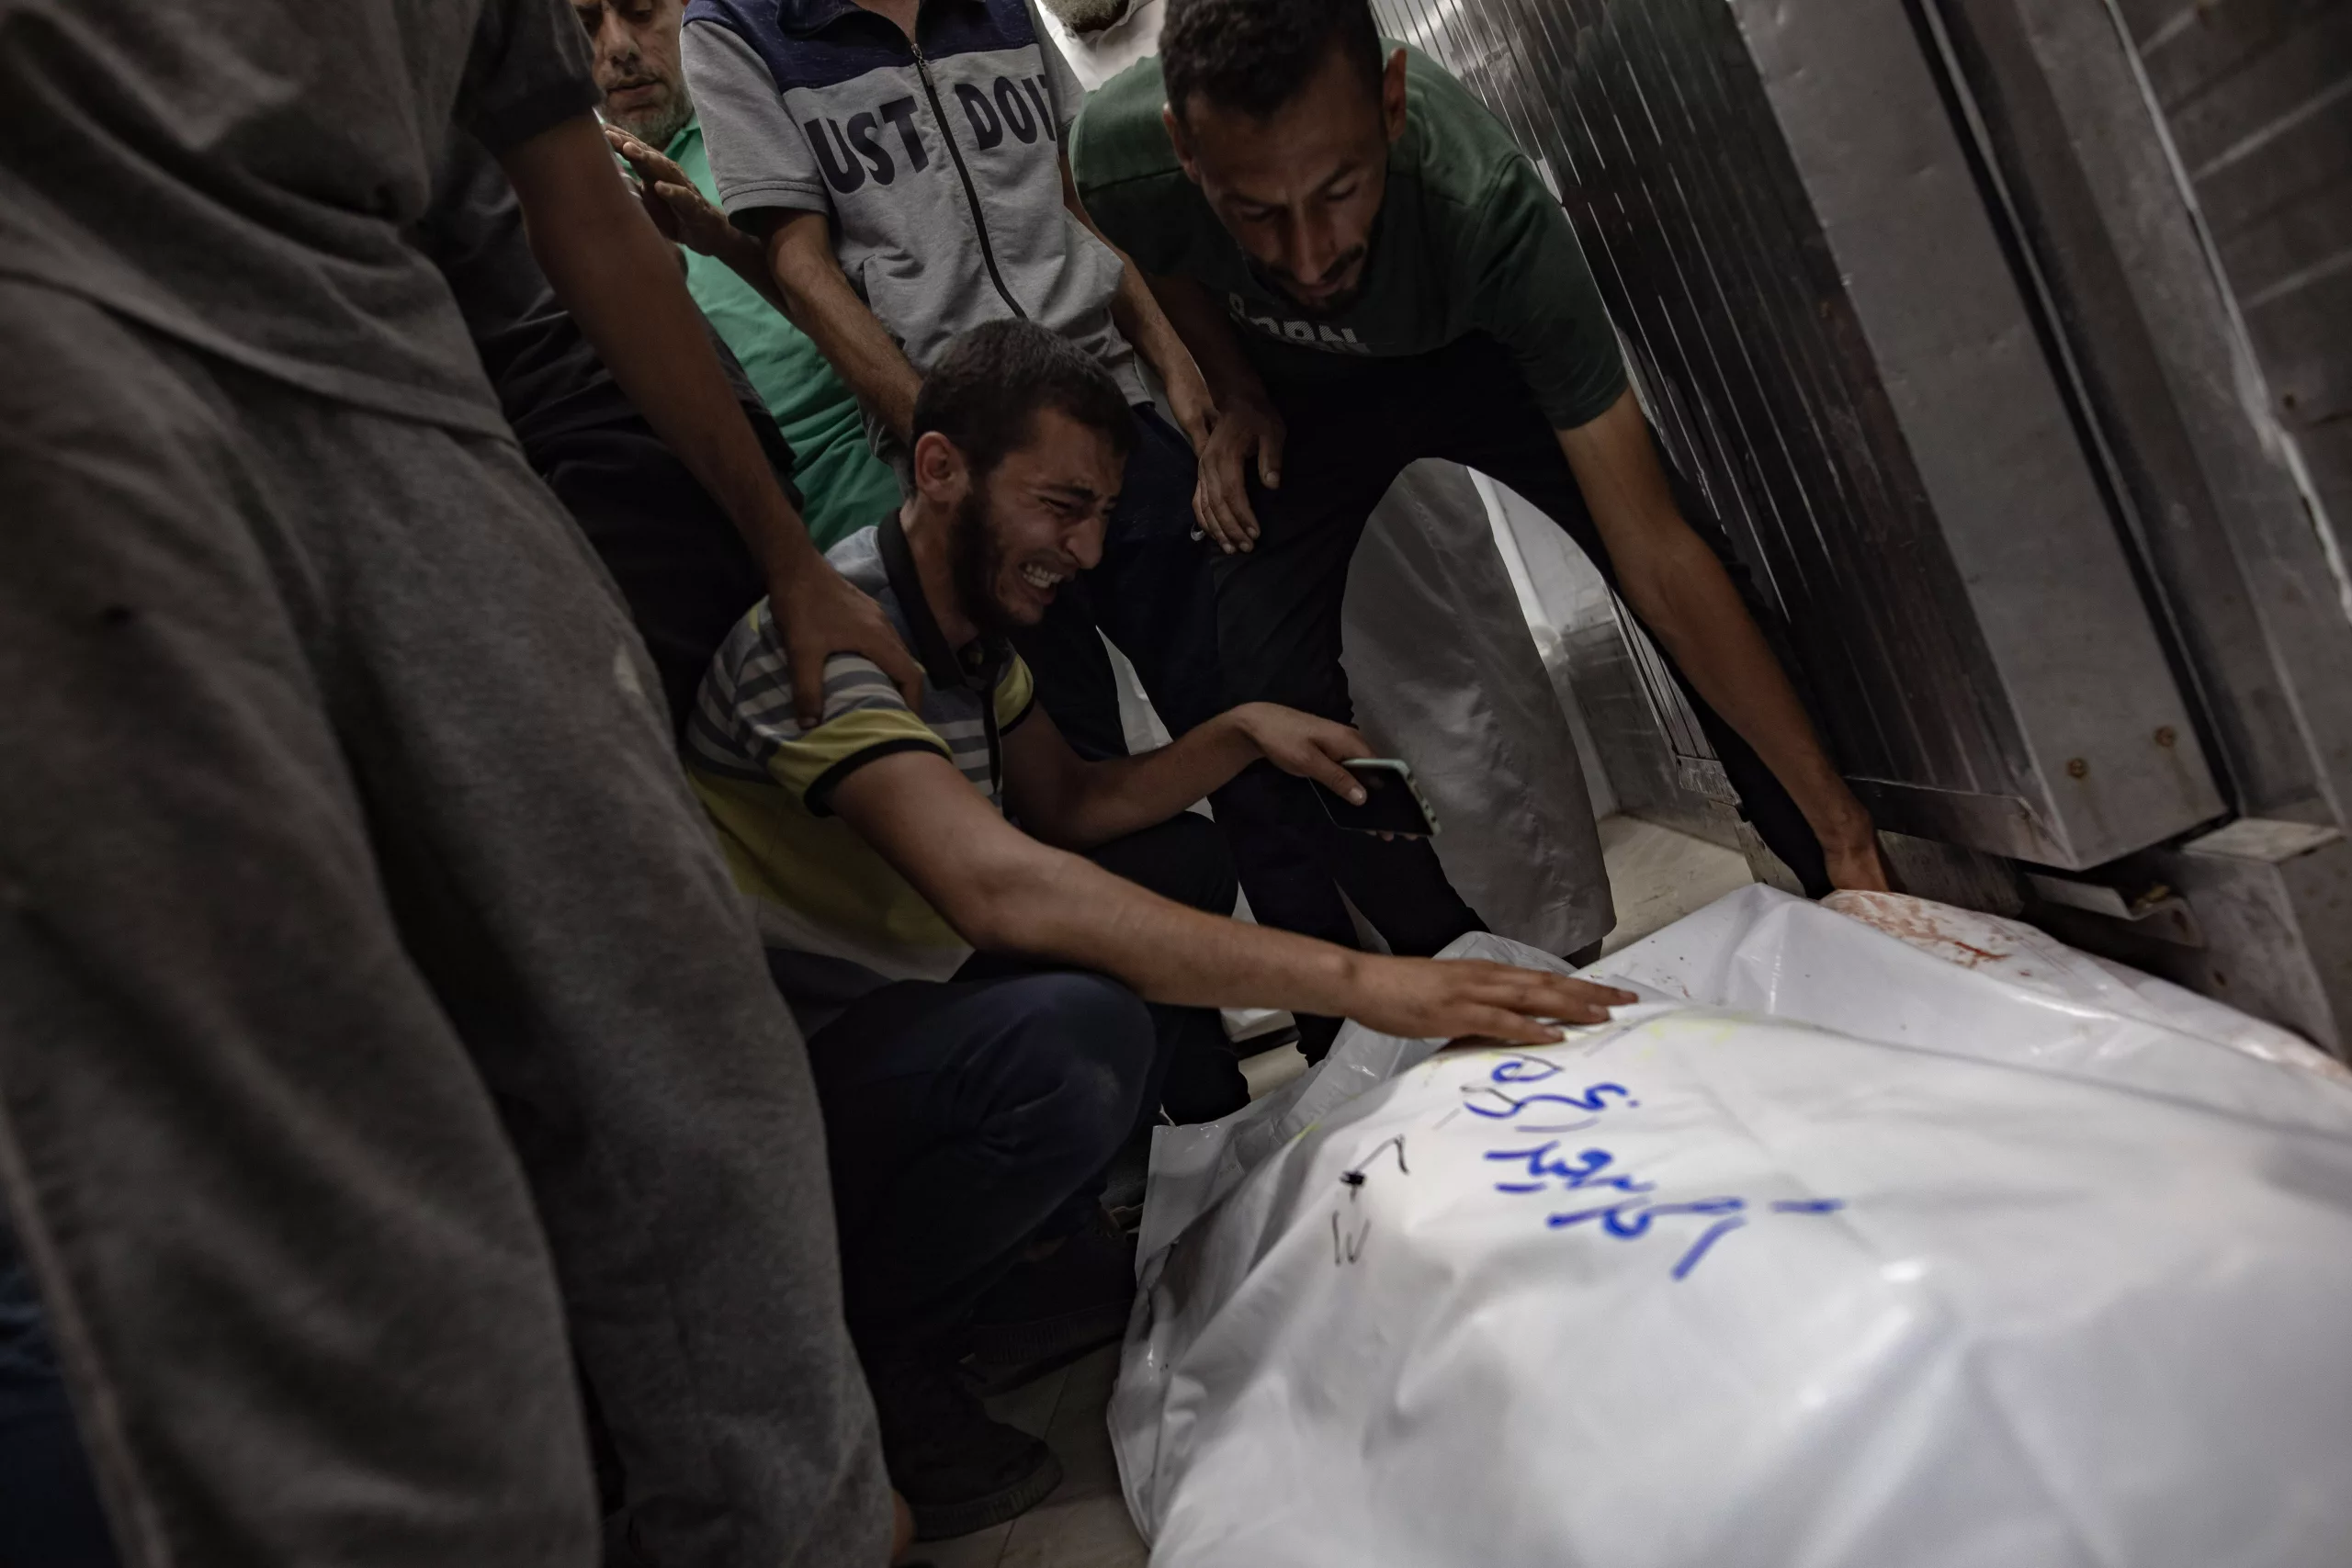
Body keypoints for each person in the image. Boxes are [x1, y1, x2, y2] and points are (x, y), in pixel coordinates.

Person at [0, 0, 922, 1562]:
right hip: (63, 329)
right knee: (309, 1142)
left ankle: (798, 1528)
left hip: (398, 365)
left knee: (675, 1020)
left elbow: (585, 210)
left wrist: (790, 557)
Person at [686, 319, 1635, 1538]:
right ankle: (879, 1350)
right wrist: (1369, 982)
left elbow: (1073, 806)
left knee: (1178, 861)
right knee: (1073, 1042)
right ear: (939, 468)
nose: (1084, 551)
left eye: (1098, 515)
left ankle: (1032, 1247)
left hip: (896, 1006)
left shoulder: (970, 634)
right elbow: (1000, 889)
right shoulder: (830, 643)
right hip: (771, 1073)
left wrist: (1238, 730)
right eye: (1059, 508)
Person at [648, 0, 1389, 1054]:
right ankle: (1188, 1106)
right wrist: (957, 454)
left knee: (1240, 714)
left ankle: (1345, 1042)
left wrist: (1176, 370)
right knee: (1069, 799)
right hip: (973, 460)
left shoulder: (993, 6)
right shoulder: (739, 27)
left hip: (1114, 411)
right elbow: (802, 267)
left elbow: (1077, 194)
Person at [1069, 0, 1894, 929]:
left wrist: (1846, 830)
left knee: (1687, 566)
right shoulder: (1116, 157)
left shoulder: (1489, 211)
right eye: (1255, 212)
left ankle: (1833, 874)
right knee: (1265, 682)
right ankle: (1452, 964)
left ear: (1391, 104)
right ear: (1184, 153)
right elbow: (1155, 241)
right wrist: (1235, 389)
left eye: (1340, 191)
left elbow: (1657, 554)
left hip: (1472, 356)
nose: (1308, 257)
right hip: (1303, 398)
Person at [571, 0, 903, 548]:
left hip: (882, 478)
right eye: (586, 27)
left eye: (641, 11)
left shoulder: (771, 123)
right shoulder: (570, 205)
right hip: (726, 541)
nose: (619, 48)